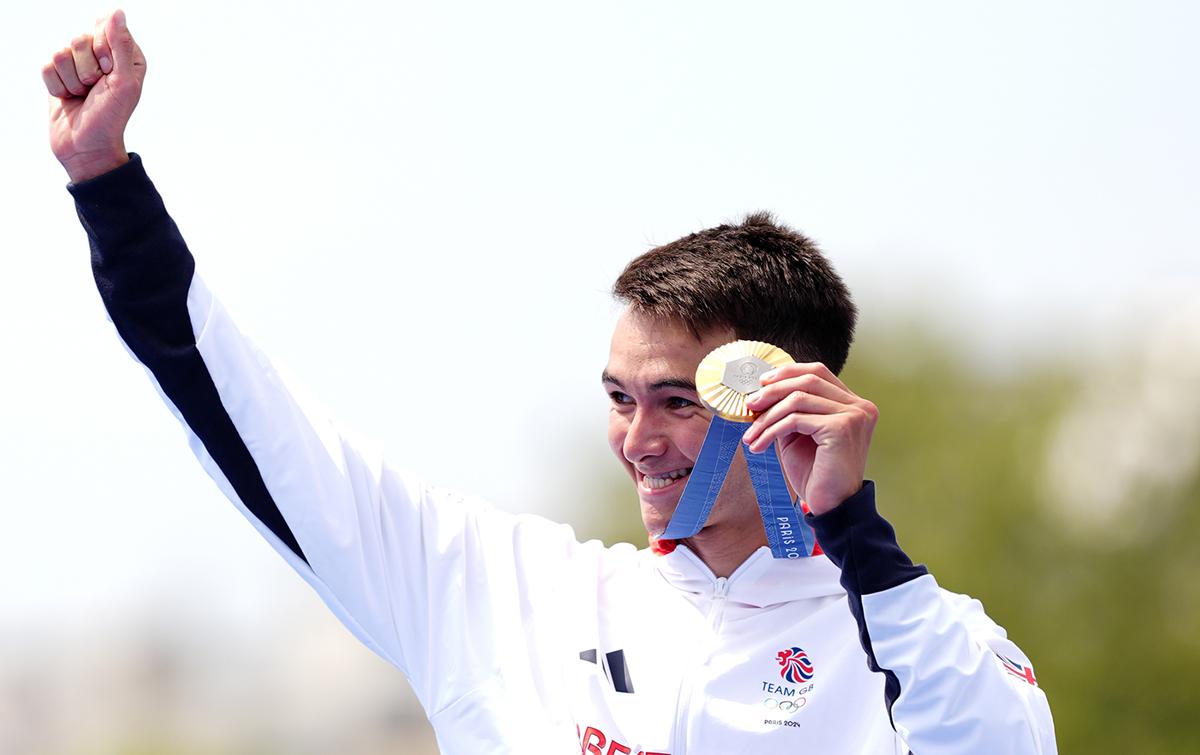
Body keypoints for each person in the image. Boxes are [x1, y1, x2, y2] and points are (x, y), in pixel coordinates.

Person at [45, 11, 1056, 754]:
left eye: (678, 404)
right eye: (621, 398)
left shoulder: (916, 635)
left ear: (785, 402)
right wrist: (106, 185)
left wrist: (855, 536)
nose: (638, 440)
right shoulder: (502, 590)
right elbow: (237, 408)